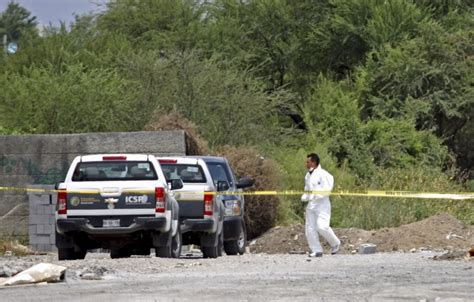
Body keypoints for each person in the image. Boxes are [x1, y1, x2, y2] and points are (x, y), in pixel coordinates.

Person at [301, 153, 340, 257]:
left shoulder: (325, 175)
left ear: (313, 162)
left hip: (322, 204)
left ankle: (335, 243)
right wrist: (305, 196)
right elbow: (307, 189)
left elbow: (327, 189)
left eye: (308, 162)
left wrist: (317, 195)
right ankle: (316, 250)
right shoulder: (307, 175)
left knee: (322, 227)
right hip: (311, 204)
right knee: (309, 228)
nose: (306, 164)